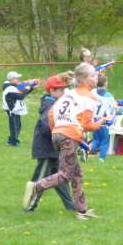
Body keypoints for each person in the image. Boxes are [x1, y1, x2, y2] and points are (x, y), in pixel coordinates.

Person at [22, 63, 103, 220]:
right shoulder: (89, 97)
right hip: (68, 135)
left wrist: (57, 130)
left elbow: (51, 114)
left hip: (58, 134)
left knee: (76, 174)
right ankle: (36, 186)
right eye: (93, 75)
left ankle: (82, 211)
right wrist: (101, 122)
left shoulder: (68, 94)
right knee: (65, 175)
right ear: (84, 80)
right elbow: (87, 125)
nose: (97, 77)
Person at [24, 74, 77, 213]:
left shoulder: (55, 104)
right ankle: (29, 207)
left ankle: (71, 206)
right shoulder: (50, 106)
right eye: (61, 90)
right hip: (46, 149)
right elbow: (46, 127)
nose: (64, 93)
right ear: (52, 91)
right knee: (40, 178)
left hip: (53, 149)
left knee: (60, 177)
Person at [90, 73, 117, 162]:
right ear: (105, 83)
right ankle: (102, 158)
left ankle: (87, 149)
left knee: (96, 140)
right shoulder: (109, 96)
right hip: (104, 122)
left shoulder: (93, 92)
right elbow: (114, 107)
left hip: (94, 121)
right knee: (104, 141)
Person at [2, 71, 33, 146]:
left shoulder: (12, 87)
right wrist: (27, 89)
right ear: (12, 79)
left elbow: (21, 94)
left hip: (13, 108)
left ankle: (11, 140)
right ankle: (14, 142)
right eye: (16, 78)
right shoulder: (10, 88)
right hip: (12, 109)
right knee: (15, 126)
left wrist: (31, 88)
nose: (18, 80)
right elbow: (21, 96)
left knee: (17, 125)